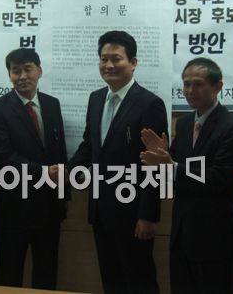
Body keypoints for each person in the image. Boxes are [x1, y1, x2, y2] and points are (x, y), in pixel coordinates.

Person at [67, 30, 168, 294]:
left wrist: (147, 215)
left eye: (116, 59)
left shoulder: (150, 104)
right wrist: (69, 171)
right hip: (101, 210)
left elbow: (155, 165)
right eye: (103, 59)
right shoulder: (96, 98)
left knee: (140, 281)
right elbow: (90, 146)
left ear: (133, 63)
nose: (109, 65)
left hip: (133, 213)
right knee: (111, 280)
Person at [140, 57, 233, 294]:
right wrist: (162, 157)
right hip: (182, 236)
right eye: (186, 84)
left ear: (218, 86)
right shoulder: (185, 123)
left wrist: (171, 165)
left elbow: (218, 179)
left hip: (214, 239)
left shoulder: (232, 127)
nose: (190, 91)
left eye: (198, 84)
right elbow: (176, 175)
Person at [0, 48, 68, 290]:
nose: (22, 76)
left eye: (28, 69)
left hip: (50, 207)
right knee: (8, 274)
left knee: (47, 273)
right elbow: (3, 157)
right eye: (16, 71)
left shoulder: (52, 104)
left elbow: (59, 151)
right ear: (9, 75)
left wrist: (64, 197)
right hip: (15, 208)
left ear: (39, 71)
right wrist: (44, 172)